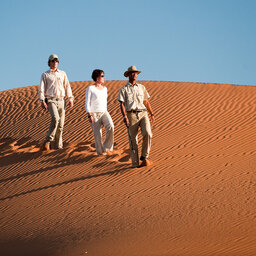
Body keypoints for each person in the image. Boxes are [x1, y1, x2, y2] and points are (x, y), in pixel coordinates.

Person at [117, 66, 155, 168]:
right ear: (128, 75)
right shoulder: (124, 89)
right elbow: (121, 104)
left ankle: (144, 156)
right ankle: (135, 164)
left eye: (136, 73)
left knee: (148, 133)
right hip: (131, 115)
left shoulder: (141, 87)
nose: (135, 75)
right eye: (132, 73)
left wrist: (152, 113)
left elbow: (146, 101)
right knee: (133, 140)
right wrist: (124, 116)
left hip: (143, 113)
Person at [38, 54, 74, 150]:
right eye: (53, 61)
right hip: (51, 100)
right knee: (56, 119)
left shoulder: (62, 73)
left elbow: (67, 86)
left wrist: (70, 98)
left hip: (62, 100)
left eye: (57, 61)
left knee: (61, 125)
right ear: (49, 62)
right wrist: (42, 100)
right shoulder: (45, 75)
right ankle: (48, 140)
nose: (55, 62)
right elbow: (41, 88)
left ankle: (59, 147)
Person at [85, 69, 114, 155]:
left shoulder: (105, 89)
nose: (104, 77)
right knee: (98, 135)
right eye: (102, 76)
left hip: (104, 112)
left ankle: (107, 148)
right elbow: (87, 103)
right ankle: (100, 153)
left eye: (103, 75)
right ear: (97, 78)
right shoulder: (90, 88)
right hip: (94, 113)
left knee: (111, 126)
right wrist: (89, 115)